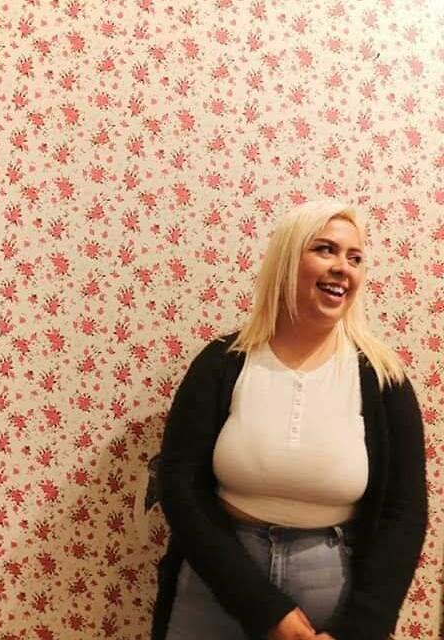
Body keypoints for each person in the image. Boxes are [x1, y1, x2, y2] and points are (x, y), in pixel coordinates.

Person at [152, 199, 427, 640]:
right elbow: (180, 486)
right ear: (286, 260)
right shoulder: (223, 363)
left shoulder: (383, 379)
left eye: (355, 258)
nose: (343, 267)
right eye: (325, 249)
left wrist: (361, 628)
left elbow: (405, 513)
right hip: (218, 586)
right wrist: (263, 610)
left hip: (332, 595)